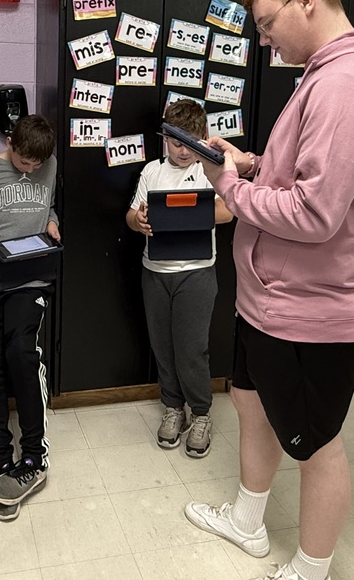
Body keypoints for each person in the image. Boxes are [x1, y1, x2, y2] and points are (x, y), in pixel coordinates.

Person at [184, 0, 354, 580]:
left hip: (315, 310)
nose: (263, 40)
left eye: (266, 23)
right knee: (250, 403)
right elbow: (313, 175)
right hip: (272, 298)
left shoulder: (347, 84)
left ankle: (312, 567)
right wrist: (254, 164)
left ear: (306, 0)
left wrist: (231, 189)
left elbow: (316, 214)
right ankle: (247, 521)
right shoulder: (323, 73)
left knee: (316, 445)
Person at [0, 114, 59, 522]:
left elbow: (50, 204)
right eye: (24, 162)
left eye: (37, 164)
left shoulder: (49, 163)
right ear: (10, 142)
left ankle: (34, 454)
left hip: (30, 275)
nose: (31, 169)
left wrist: (53, 221)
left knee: (22, 352)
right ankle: (1, 456)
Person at [125, 99, 233, 457]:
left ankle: (200, 413)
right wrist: (138, 221)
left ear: (204, 138)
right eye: (175, 142)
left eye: (190, 143)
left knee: (191, 349)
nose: (183, 151)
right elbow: (131, 213)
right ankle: (174, 409)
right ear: (164, 138)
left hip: (196, 273)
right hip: (155, 273)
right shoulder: (151, 172)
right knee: (164, 348)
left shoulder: (212, 170)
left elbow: (227, 212)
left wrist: (186, 212)